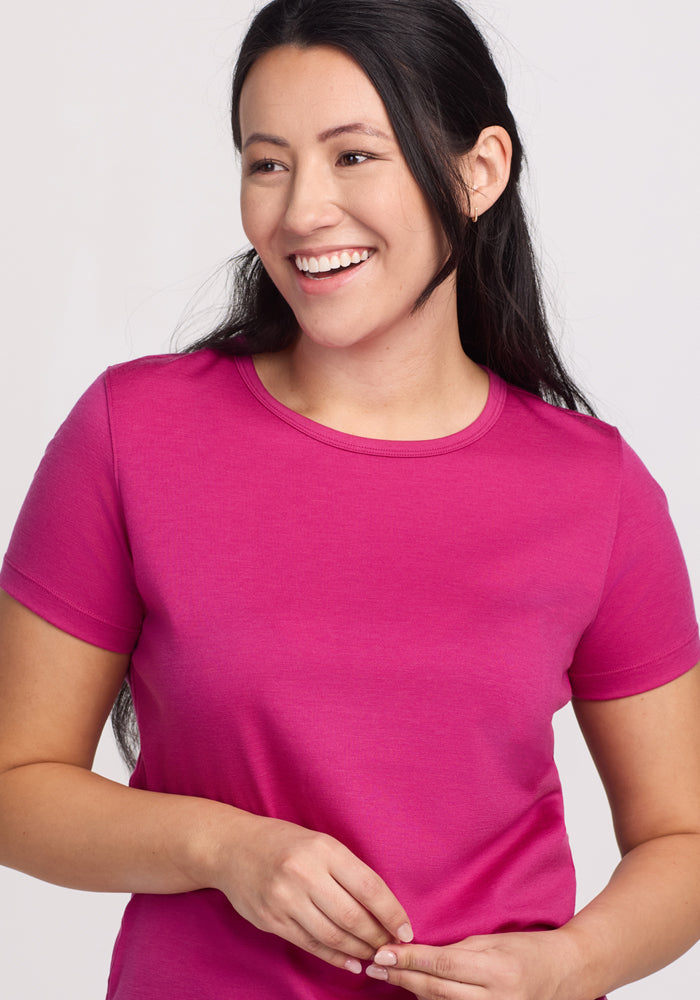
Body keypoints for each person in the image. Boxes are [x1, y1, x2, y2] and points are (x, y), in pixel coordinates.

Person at [1, 0, 699, 997]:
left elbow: (683, 835)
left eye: (353, 156)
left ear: (479, 170)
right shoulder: (133, 436)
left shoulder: (595, 490)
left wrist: (571, 965)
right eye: (267, 162)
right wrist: (224, 847)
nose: (301, 213)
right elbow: (14, 784)